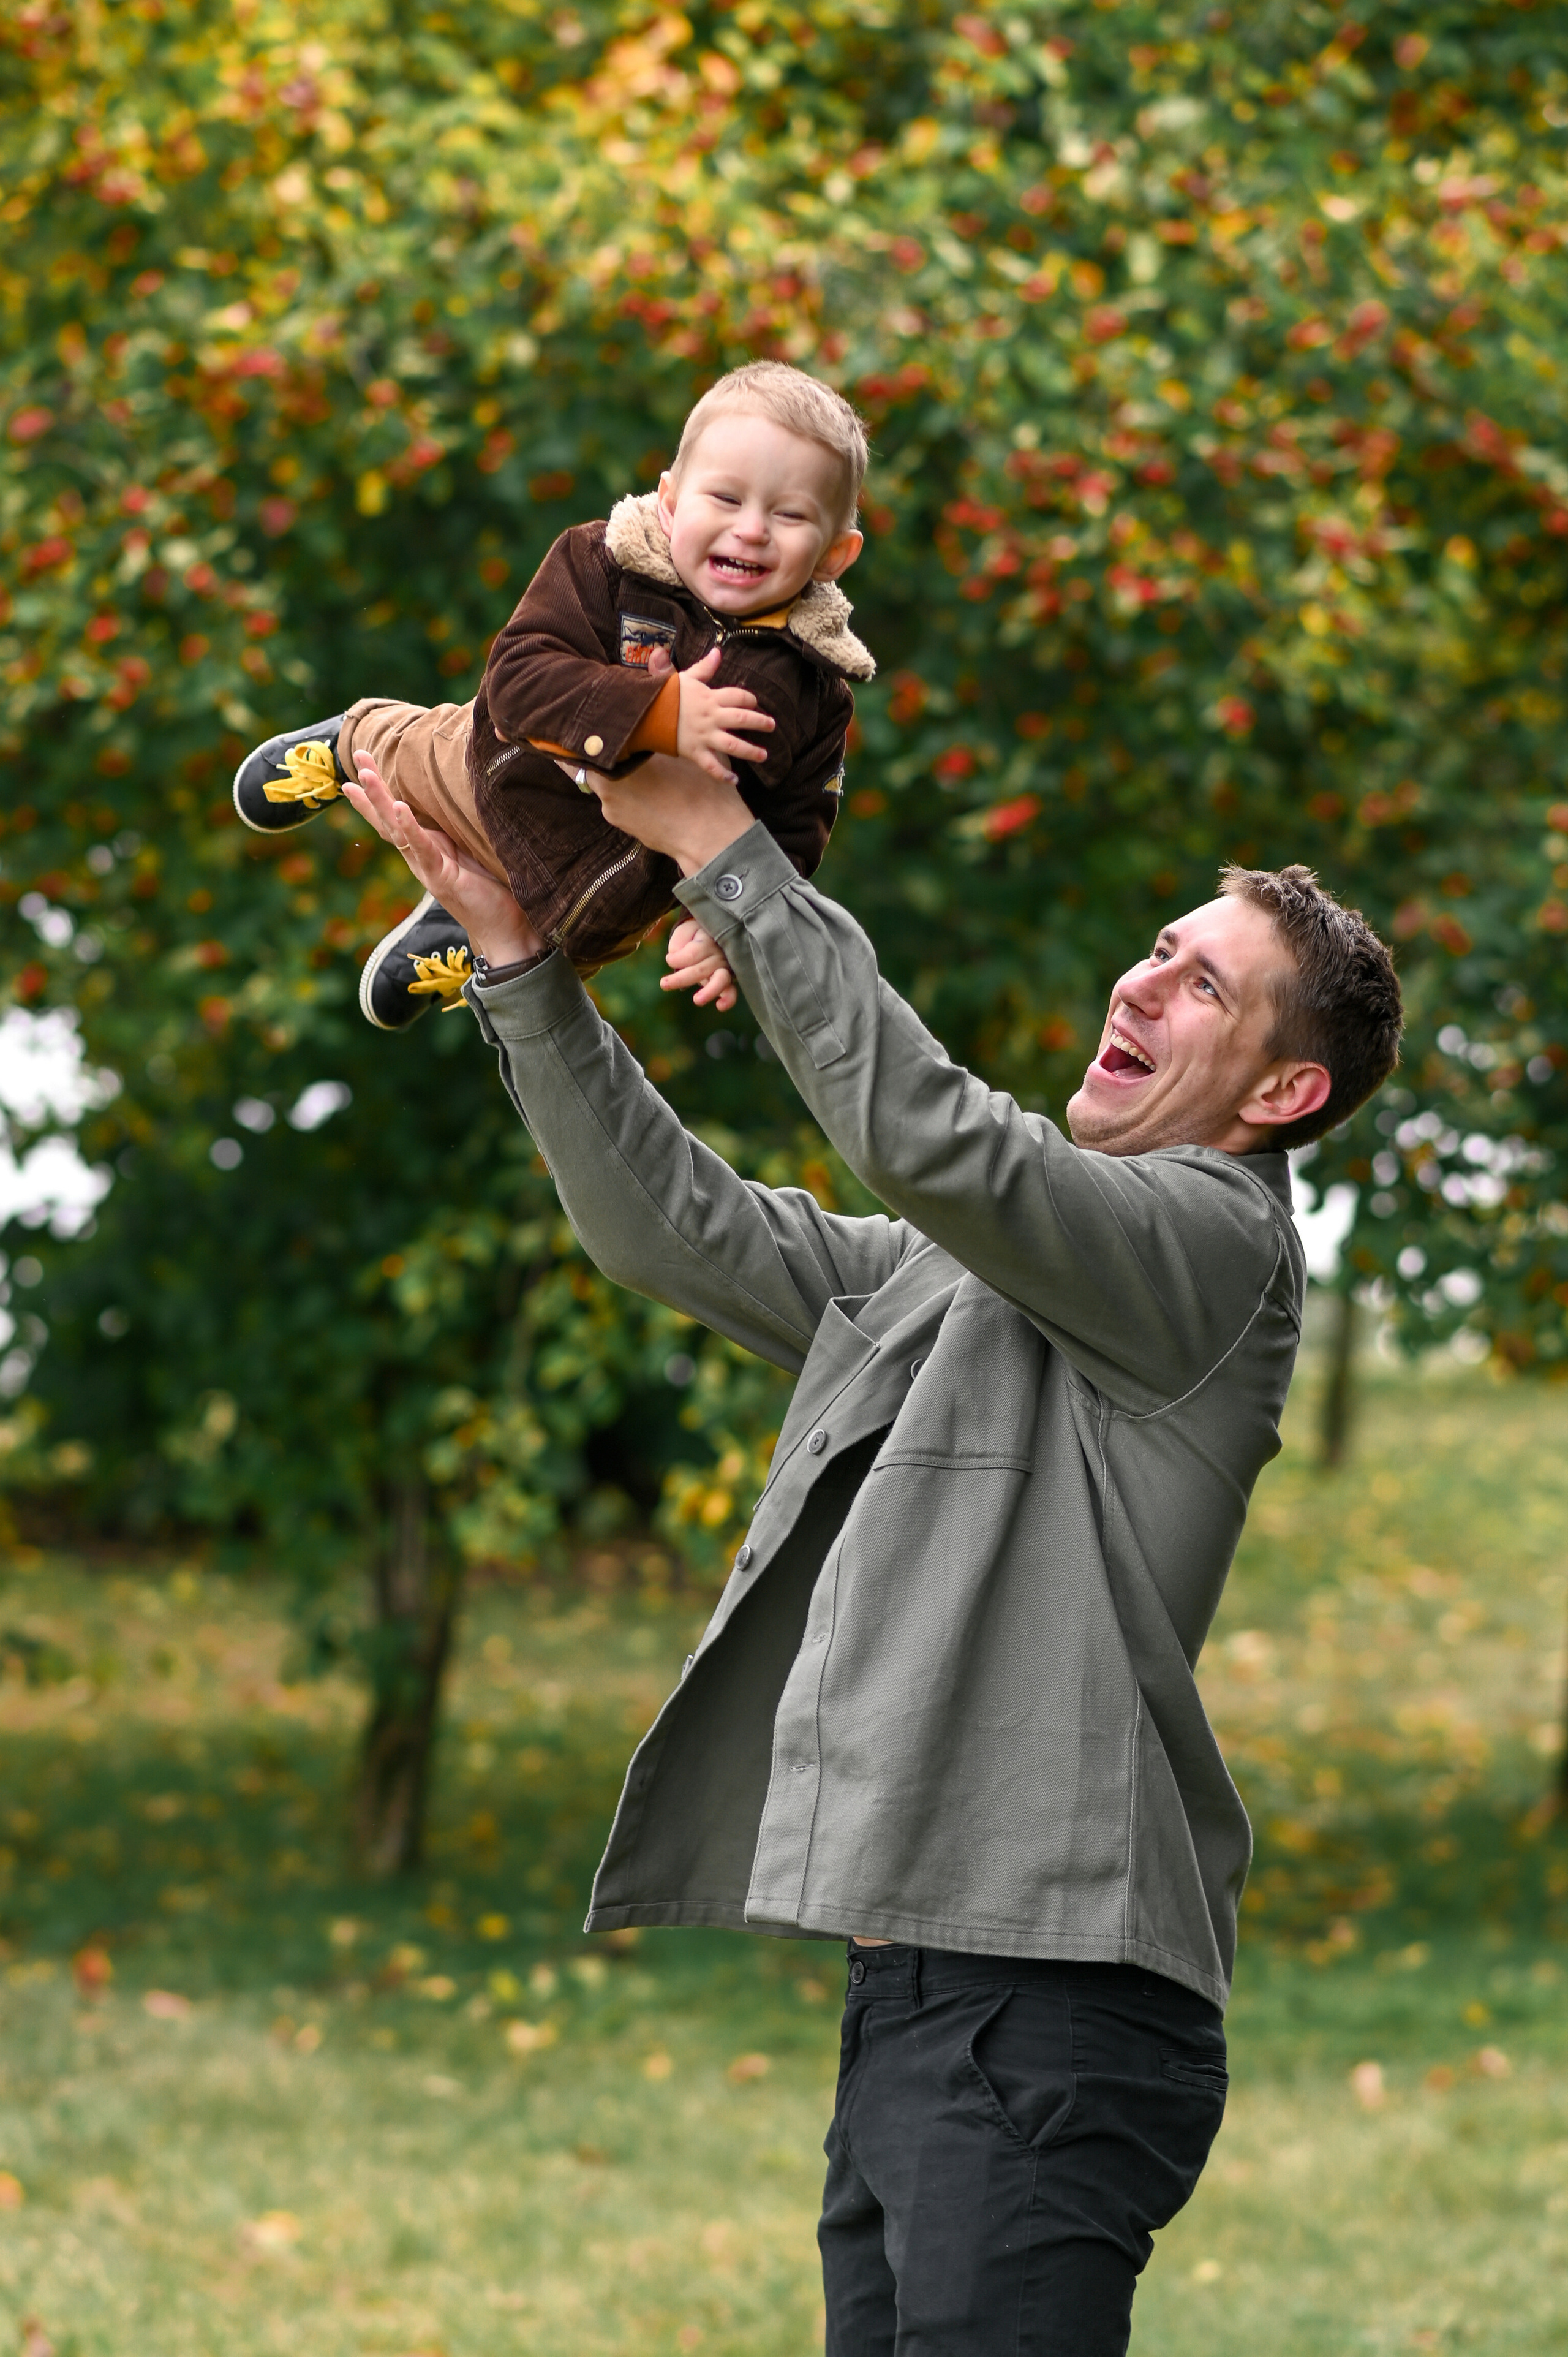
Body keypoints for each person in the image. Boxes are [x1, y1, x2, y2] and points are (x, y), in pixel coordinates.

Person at [344, 744, 1403, 2356]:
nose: (1142, 979)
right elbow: (679, 1230)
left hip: (1050, 2001)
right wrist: (520, 967)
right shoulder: (967, 1277)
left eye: (1204, 985)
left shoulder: (1215, 1246)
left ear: (1280, 1096)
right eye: (1159, 946)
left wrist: (724, 846)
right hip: (925, 1989)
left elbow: (935, 1139)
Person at [230, 361, 872, 1028]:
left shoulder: (813, 691)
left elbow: (794, 828)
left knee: (535, 953)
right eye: (727, 499)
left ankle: (464, 927)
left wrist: (724, 925)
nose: (752, 529)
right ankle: (350, 740)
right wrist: (657, 713)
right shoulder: (606, 565)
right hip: (489, 782)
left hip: (601, 903)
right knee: (403, 759)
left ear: (834, 554)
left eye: (789, 514)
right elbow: (518, 677)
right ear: (671, 501)